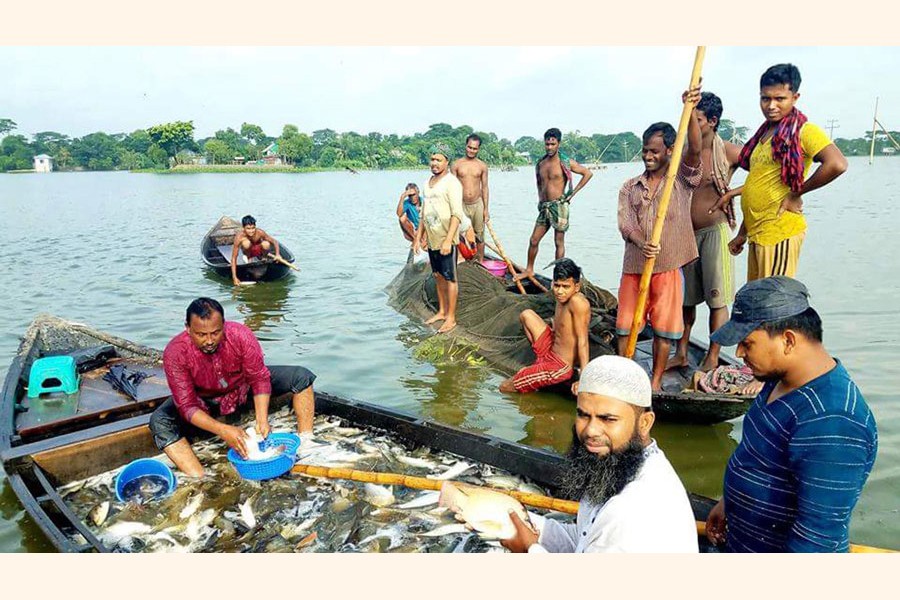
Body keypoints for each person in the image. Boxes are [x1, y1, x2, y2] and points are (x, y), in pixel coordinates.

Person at [705, 277, 877, 552]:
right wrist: (729, 501)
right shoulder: (776, 379)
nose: (738, 353)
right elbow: (756, 454)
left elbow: (816, 540)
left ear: (787, 340)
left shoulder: (831, 421)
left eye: (747, 344)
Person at [501, 355, 698, 553]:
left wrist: (529, 549)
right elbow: (584, 538)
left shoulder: (632, 508)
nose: (590, 431)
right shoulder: (612, 465)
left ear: (644, 423)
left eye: (608, 419)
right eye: (583, 415)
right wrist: (513, 517)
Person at [149, 298, 316, 477]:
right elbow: (187, 406)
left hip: (241, 388)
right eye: (201, 335)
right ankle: (199, 476)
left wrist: (262, 420)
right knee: (159, 421)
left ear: (224, 325)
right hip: (203, 399)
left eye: (215, 333)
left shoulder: (241, 335)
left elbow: (259, 378)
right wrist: (223, 430)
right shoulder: (175, 352)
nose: (209, 341)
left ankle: (306, 442)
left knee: (301, 376)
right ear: (188, 328)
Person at [713, 63, 848, 281]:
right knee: (758, 305)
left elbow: (837, 164)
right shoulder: (764, 134)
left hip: (780, 230)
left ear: (795, 97)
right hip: (758, 233)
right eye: (765, 98)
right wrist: (742, 234)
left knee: (775, 305)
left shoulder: (804, 131)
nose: (771, 105)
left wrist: (796, 193)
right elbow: (760, 182)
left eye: (780, 99)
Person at [616, 88, 702, 390]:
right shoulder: (630, 187)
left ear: (668, 151)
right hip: (635, 266)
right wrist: (643, 242)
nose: (648, 156)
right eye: (645, 150)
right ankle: (624, 378)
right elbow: (626, 224)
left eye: (654, 151)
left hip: (667, 267)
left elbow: (693, 150)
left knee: (664, 331)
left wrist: (690, 110)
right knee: (625, 326)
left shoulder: (680, 180)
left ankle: (654, 382)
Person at [668, 91, 742, 374]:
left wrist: (734, 192)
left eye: (696, 119)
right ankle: (682, 352)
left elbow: (768, 174)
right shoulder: (686, 151)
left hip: (715, 232)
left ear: (712, 121)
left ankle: (713, 354)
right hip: (686, 235)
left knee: (717, 299)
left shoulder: (730, 152)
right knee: (686, 300)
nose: (691, 125)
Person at [499, 258, 590, 395]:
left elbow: (583, 341)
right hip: (550, 349)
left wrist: (583, 378)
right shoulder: (561, 297)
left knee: (505, 387)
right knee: (527, 315)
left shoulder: (578, 303)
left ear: (576, 287)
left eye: (565, 286)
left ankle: (538, 374)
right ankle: (539, 364)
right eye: (557, 285)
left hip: (560, 365)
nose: (559, 291)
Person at [516, 128, 592, 280]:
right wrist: (539, 199)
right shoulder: (541, 163)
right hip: (545, 207)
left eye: (553, 144)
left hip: (559, 205)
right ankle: (529, 269)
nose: (550, 147)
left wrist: (572, 193)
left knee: (558, 242)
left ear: (559, 144)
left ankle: (558, 277)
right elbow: (539, 183)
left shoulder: (565, 162)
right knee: (534, 240)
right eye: (547, 144)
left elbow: (587, 173)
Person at [413, 143, 465, 334]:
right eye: (432, 159)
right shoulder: (428, 183)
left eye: (438, 160)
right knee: (437, 275)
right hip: (432, 237)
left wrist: (448, 240)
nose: (434, 163)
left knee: (450, 277)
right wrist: (419, 237)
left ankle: (451, 317)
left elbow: (456, 214)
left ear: (447, 161)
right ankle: (442, 311)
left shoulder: (452, 183)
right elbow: (424, 212)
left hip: (446, 239)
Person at [450, 134, 490, 262]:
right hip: (461, 204)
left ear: (478, 149)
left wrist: (486, 209)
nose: (471, 150)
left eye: (474, 148)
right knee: (457, 234)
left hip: (477, 204)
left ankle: (481, 261)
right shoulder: (456, 165)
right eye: (469, 147)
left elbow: (485, 187)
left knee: (479, 235)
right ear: (465, 146)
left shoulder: (482, 166)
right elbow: (451, 188)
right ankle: (457, 260)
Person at [231, 215, 282, 286]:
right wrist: (234, 277)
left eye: (253, 228)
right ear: (243, 228)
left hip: (258, 250)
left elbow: (274, 241)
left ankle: (263, 258)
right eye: (248, 229)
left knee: (266, 244)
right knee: (246, 243)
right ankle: (249, 260)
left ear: (255, 227)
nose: (251, 231)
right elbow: (234, 258)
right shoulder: (239, 237)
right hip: (248, 251)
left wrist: (277, 254)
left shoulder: (260, 232)